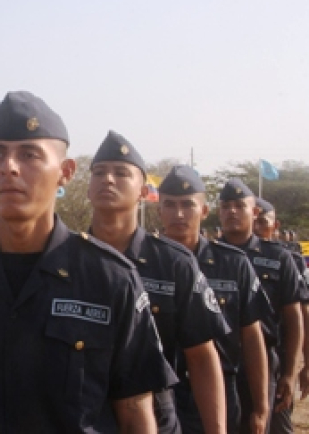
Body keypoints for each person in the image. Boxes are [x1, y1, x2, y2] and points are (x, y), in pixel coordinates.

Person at [0, 91, 177, 433]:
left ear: (65, 172)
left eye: (29, 154)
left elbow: (135, 408)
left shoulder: (109, 279)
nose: (9, 167)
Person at [88, 131, 230, 434]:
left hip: (155, 414)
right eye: (99, 173)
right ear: (87, 188)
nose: (108, 180)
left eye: (121, 173)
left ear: (143, 191)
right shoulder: (65, 261)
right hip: (85, 416)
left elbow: (202, 357)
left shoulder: (173, 262)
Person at [158, 165, 271, 434]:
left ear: (205, 211)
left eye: (188, 205)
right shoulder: (142, 264)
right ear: (158, 210)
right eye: (170, 205)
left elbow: (253, 338)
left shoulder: (233, 264)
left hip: (219, 390)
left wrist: (261, 405)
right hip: (160, 396)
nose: (179, 214)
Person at [218, 178, 304, 433]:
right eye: (225, 206)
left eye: (239, 205)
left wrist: (290, 373)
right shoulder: (204, 257)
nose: (232, 211)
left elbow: (294, 317)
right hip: (219, 363)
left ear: (254, 212)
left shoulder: (278, 257)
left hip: (264, 362)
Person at [252, 197, 309, 429]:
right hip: (240, 359)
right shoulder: (229, 257)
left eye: (263, 222)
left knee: (279, 422)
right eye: (253, 221)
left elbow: (302, 315)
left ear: (275, 226)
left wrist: (302, 365)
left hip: (278, 354)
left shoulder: (288, 259)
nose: (257, 228)